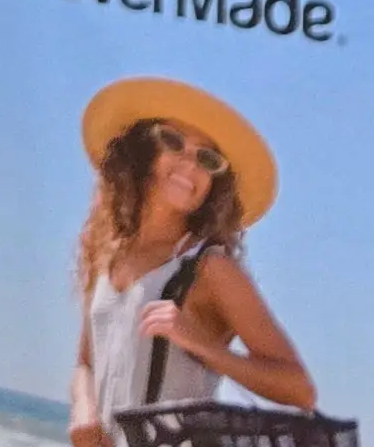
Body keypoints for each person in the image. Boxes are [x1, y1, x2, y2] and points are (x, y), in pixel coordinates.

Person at [70, 81, 315, 447]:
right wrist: (83, 410)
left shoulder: (210, 269)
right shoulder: (108, 253)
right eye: (173, 142)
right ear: (143, 149)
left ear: (217, 182)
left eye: (208, 159)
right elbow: (86, 361)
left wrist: (206, 347)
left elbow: (299, 389)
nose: (189, 164)